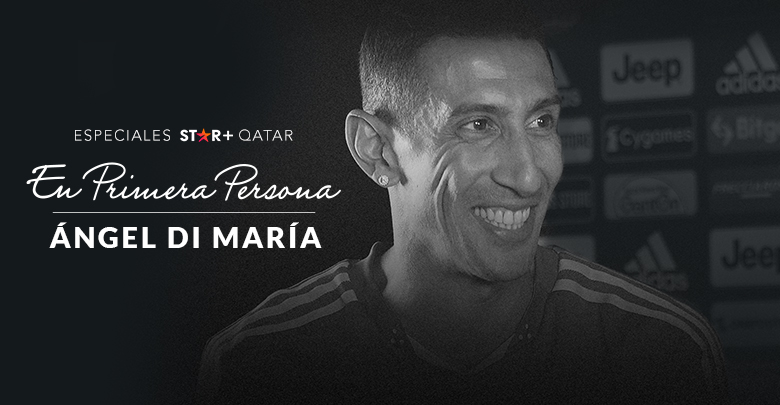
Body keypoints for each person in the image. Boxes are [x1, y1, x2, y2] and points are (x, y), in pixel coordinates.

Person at [197, 2, 728, 403]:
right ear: (377, 150)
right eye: (478, 125)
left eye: (541, 121)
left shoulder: (662, 352)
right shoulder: (260, 364)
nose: (528, 176)